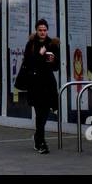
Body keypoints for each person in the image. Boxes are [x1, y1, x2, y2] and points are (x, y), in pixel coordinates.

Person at [19, 18, 61, 154]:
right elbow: (29, 63)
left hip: (48, 84)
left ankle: (38, 137)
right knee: (39, 113)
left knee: (44, 113)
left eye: (44, 30)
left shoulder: (52, 44)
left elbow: (56, 67)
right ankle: (41, 142)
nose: (42, 32)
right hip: (35, 84)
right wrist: (40, 54)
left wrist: (52, 60)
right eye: (40, 30)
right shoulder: (30, 44)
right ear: (36, 31)